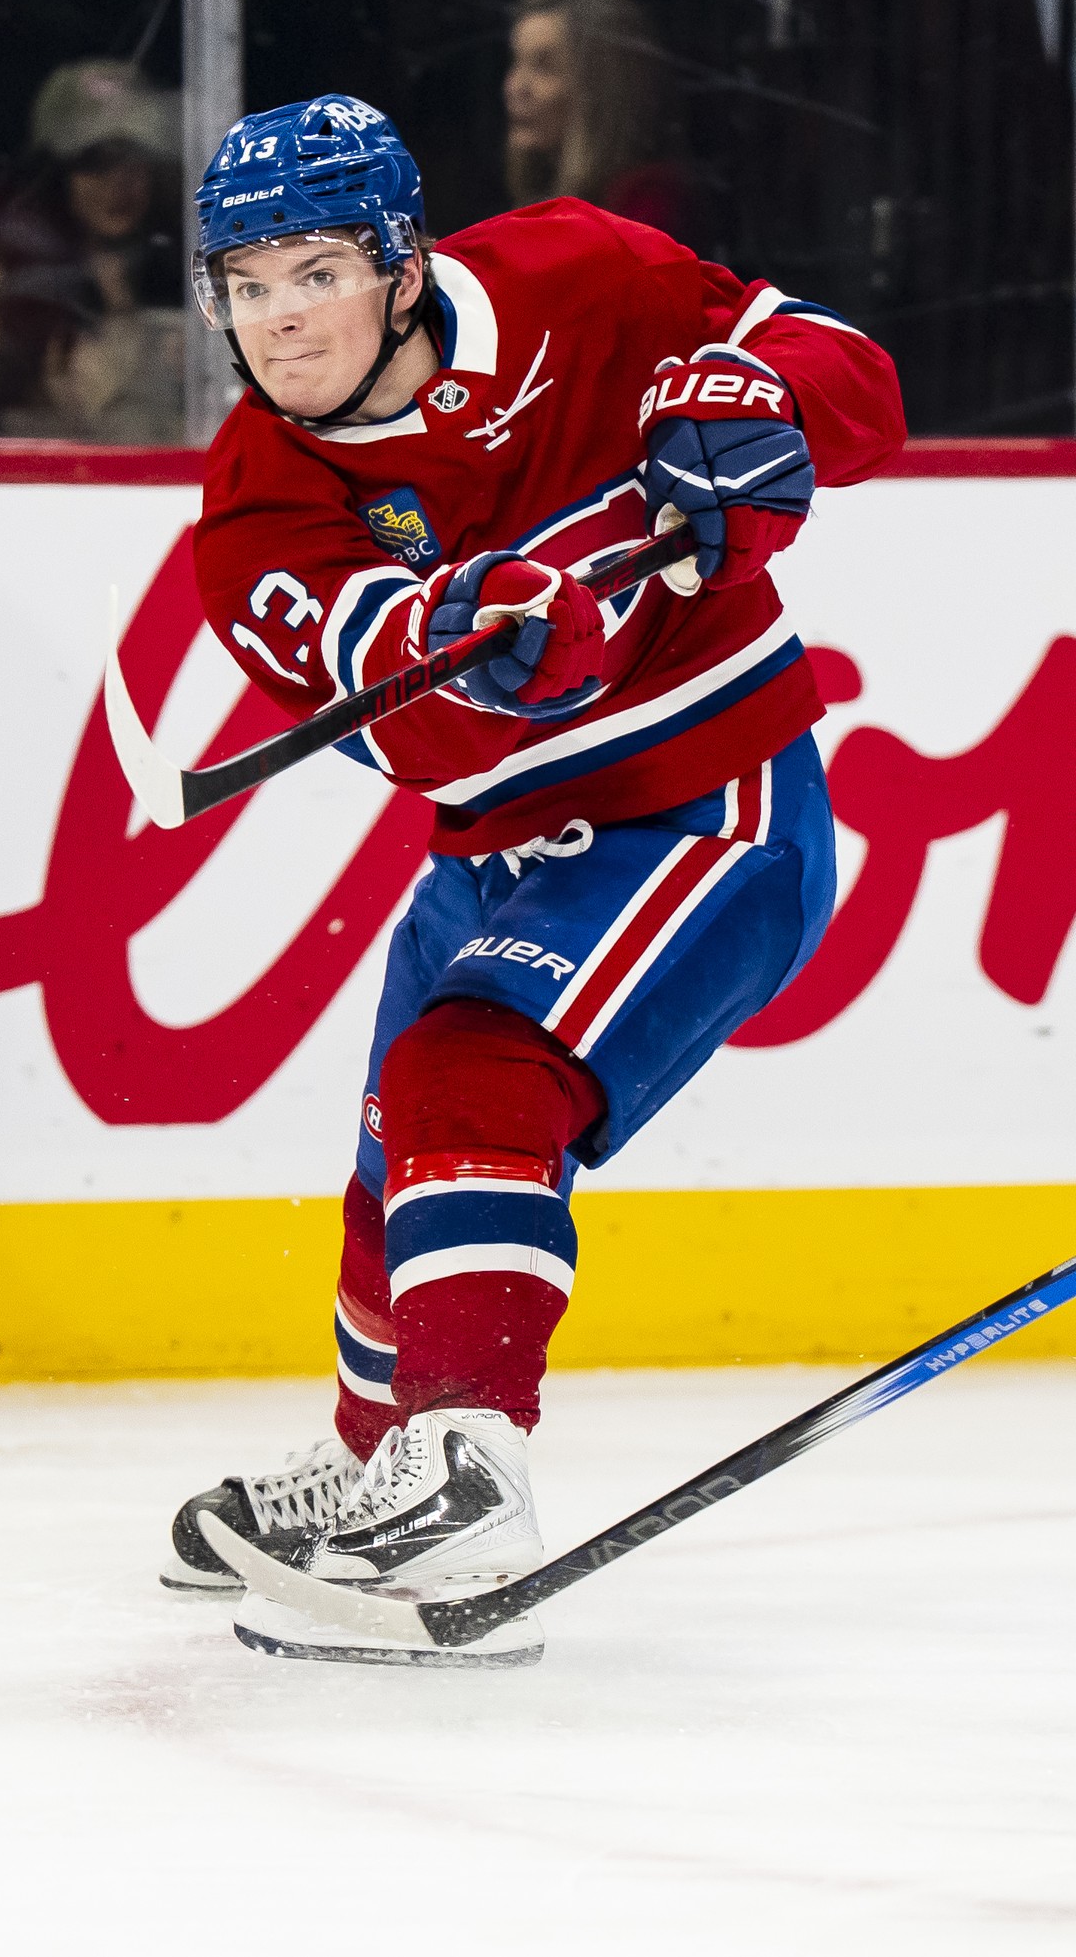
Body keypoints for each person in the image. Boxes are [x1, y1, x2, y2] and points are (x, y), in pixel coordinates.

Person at [159, 97, 902, 1664]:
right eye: (246, 284)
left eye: (315, 273)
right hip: (494, 842)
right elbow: (411, 724)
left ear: (402, 263)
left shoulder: (580, 274)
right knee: (398, 1164)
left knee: (472, 1074)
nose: (278, 320)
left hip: (707, 805)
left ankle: (467, 1471)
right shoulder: (256, 502)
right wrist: (469, 648)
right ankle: (384, 1460)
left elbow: (852, 375)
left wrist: (764, 409)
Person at [0, 58, 184, 444]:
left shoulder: (191, 270)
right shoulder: (6, 271)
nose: (119, 182)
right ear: (56, 171)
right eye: (95, 162)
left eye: (135, 159)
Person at [504, 0, 697, 245]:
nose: (516, 87)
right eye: (517, 61)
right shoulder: (542, 198)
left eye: (544, 67)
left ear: (599, 86)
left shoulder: (647, 206)